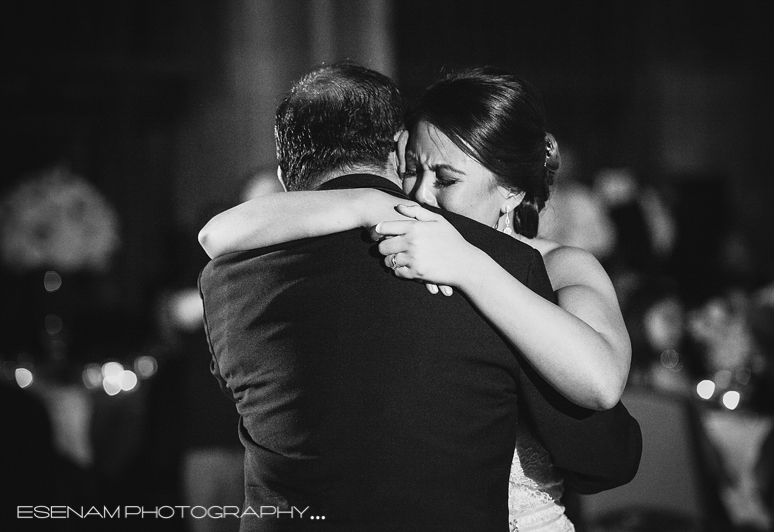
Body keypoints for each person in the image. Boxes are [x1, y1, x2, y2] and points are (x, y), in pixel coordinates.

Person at [199, 63, 640, 531]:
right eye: (411, 171)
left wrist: (470, 265)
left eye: (446, 180)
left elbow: (600, 388)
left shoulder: (554, 267)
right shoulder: (401, 231)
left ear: (509, 189)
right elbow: (217, 233)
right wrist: (368, 202)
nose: (421, 196)